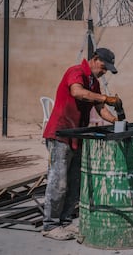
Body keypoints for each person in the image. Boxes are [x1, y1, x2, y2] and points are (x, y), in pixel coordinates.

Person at [42, 47, 123, 240]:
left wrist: (115, 121)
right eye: (104, 67)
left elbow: (100, 107)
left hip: (77, 135)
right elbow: (77, 92)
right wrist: (105, 97)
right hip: (60, 134)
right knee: (59, 182)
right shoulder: (76, 72)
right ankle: (50, 225)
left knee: (74, 181)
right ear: (94, 59)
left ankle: (66, 221)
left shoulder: (93, 82)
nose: (104, 72)